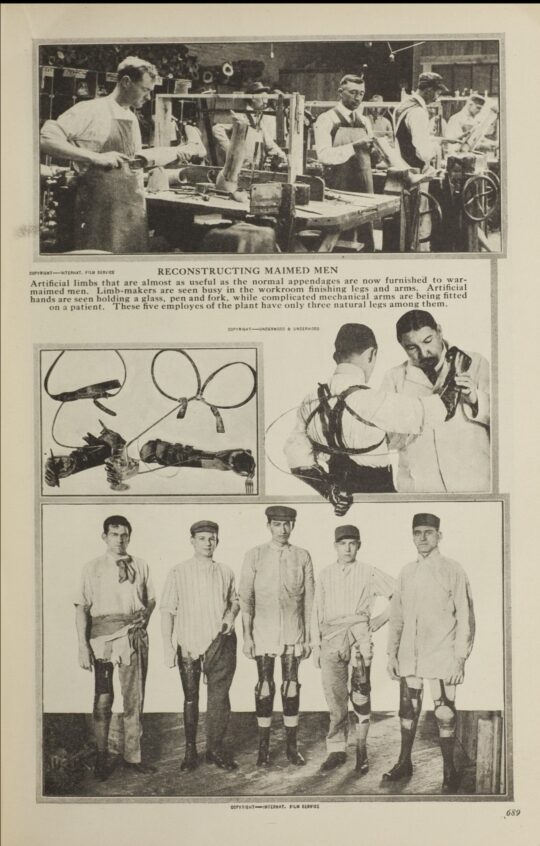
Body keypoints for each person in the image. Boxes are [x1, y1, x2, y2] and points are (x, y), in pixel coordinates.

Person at [284, 322, 459, 510]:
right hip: (382, 501)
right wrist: (457, 371)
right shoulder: (373, 401)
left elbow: (296, 460)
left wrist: (329, 490)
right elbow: (442, 410)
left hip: (341, 506)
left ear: (336, 356)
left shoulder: (310, 401)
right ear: (371, 354)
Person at [383, 513, 475, 793]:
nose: (422, 538)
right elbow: (397, 616)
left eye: (428, 532)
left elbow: (466, 617)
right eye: (417, 533)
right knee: (407, 711)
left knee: (445, 713)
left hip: (443, 653)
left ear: (439, 536)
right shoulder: (406, 572)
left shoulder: (453, 570)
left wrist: (460, 658)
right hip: (411, 655)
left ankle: (449, 769)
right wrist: (391, 654)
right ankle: (404, 762)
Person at [40, 56, 158, 253]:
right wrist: (94, 157)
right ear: (126, 82)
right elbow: (46, 138)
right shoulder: (91, 109)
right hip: (98, 211)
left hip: (131, 207)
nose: (148, 97)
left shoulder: (131, 116)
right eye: (145, 89)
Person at [74, 515, 156, 780]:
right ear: (104, 537)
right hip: (102, 641)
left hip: (132, 638)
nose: (119, 540)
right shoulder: (92, 567)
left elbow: (151, 600)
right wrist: (82, 646)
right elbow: (82, 608)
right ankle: (101, 757)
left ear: (129, 537)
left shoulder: (141, 565)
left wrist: (145, 619)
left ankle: (133, 757)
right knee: (103, 699)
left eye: (124, 535)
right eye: (114, 534)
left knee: (134, 699)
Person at [312, 525, 395, 774]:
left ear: (359, 545)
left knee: (360, 695)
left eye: (352, 543)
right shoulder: (325, 574)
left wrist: (380, 619)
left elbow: (399, 592)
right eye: (342, 543)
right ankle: (336, 749)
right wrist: (316, 645)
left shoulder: (368, 572)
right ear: (335, 546)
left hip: (359, 635)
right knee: (335, 699)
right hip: (331, 637)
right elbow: (316, 611)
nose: (347, 548)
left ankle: (361, 750)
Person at [381, 309, 491, 492]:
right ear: (401, 345)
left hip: (473, 481)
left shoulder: (476, 363)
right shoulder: (393, 378)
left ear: (439, 331)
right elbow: (387, 441)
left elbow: (506, 425)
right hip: (420, 485)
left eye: (428, 341)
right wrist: (414, 419)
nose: (424, 353)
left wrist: (475, 399)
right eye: (411, 348)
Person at [160, 520, 240, 772]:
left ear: (218, 541)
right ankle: (190, 750)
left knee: (218, 699)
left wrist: (230, 616)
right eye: (203, 538)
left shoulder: (225, 571)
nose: (208, 542)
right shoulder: (178, 571)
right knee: (191, 698)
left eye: (212, 538)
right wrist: (168, 645)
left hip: (220, 641)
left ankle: (214, 750)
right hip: (189, 642)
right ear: (192, 541)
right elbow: (167, 610)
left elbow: (234, 601)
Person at [239, 506, 315, 766]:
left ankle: (292, 748)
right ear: (268, 525)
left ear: (293, 525)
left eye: (288, 524)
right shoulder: (255, 555)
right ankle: (263, 749)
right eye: (277, 524)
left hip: (293, 633)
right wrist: (247, 637)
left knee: (291, 687)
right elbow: (246, 600)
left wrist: (307, 638)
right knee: (264, 688)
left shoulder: (302, 556)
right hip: (263, 634)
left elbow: (309, 601)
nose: (283, 530)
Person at [313, 73, 375, 250]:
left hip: (364, 185)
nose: (358, 98)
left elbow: (370, 155)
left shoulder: (364, 121)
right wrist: (355, 146)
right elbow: (324, 156)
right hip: (339, 186)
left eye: (361, 93)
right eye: (353, 92)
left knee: (366, 237)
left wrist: (375, 151)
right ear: (340, 92)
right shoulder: (327, 119)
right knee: (341, 239)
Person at [212, 81, 287, 170]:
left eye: (266, 98)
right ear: (253, 98)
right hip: (239, 168)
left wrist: (283, 156)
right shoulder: (241, 115)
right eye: (263, 97)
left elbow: (269, 143)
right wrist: (230, 151)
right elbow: (217, 129)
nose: (266, 101)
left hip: (254, 169)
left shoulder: (258, 120)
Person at [393, 72, 450, 171]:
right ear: (429, 90)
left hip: (400, 166)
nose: (437, 98)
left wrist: (436, 139)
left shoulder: (403, 105)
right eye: (438, 93)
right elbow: (425, 153)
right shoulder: (418, 112)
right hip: (415, 171)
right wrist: (437, 146)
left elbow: (408, 138)